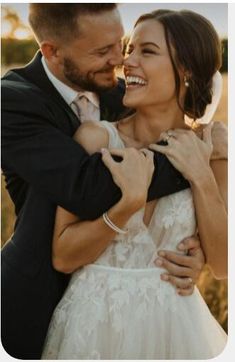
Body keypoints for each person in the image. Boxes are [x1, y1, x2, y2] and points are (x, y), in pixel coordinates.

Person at [1, 4, 207, 359]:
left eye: (120, 44)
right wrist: (196, 160)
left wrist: (194, 245)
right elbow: (87, 187)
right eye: (102, 51)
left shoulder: (120, 90)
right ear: (51, 51)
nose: (119, 60)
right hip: (39, 299)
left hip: (145, 309)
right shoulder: (12, 100)